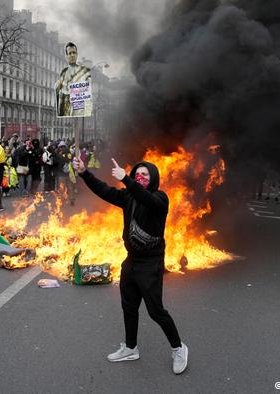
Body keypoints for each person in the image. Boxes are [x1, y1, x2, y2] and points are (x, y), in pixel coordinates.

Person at [73, 155, 188, 375]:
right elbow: (104, 190)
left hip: (151, 264)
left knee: (156, 311)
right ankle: (130, 348)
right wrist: (84, 173)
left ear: (153, 178)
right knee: (129, 307)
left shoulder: (160, 199)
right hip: (131, 261)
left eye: (145, 174)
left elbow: (147, 199)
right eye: (137, 174)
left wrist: (126, 178)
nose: (140, 177)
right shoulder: (128, 197)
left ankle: (178, 348)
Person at [55, 42, 92, 117]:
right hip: (66, 110)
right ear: (66, 56)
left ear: (77, 54)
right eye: (69, 53)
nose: (72, 55)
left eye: (74, 53)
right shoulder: (63, 72)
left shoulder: (84, 71)